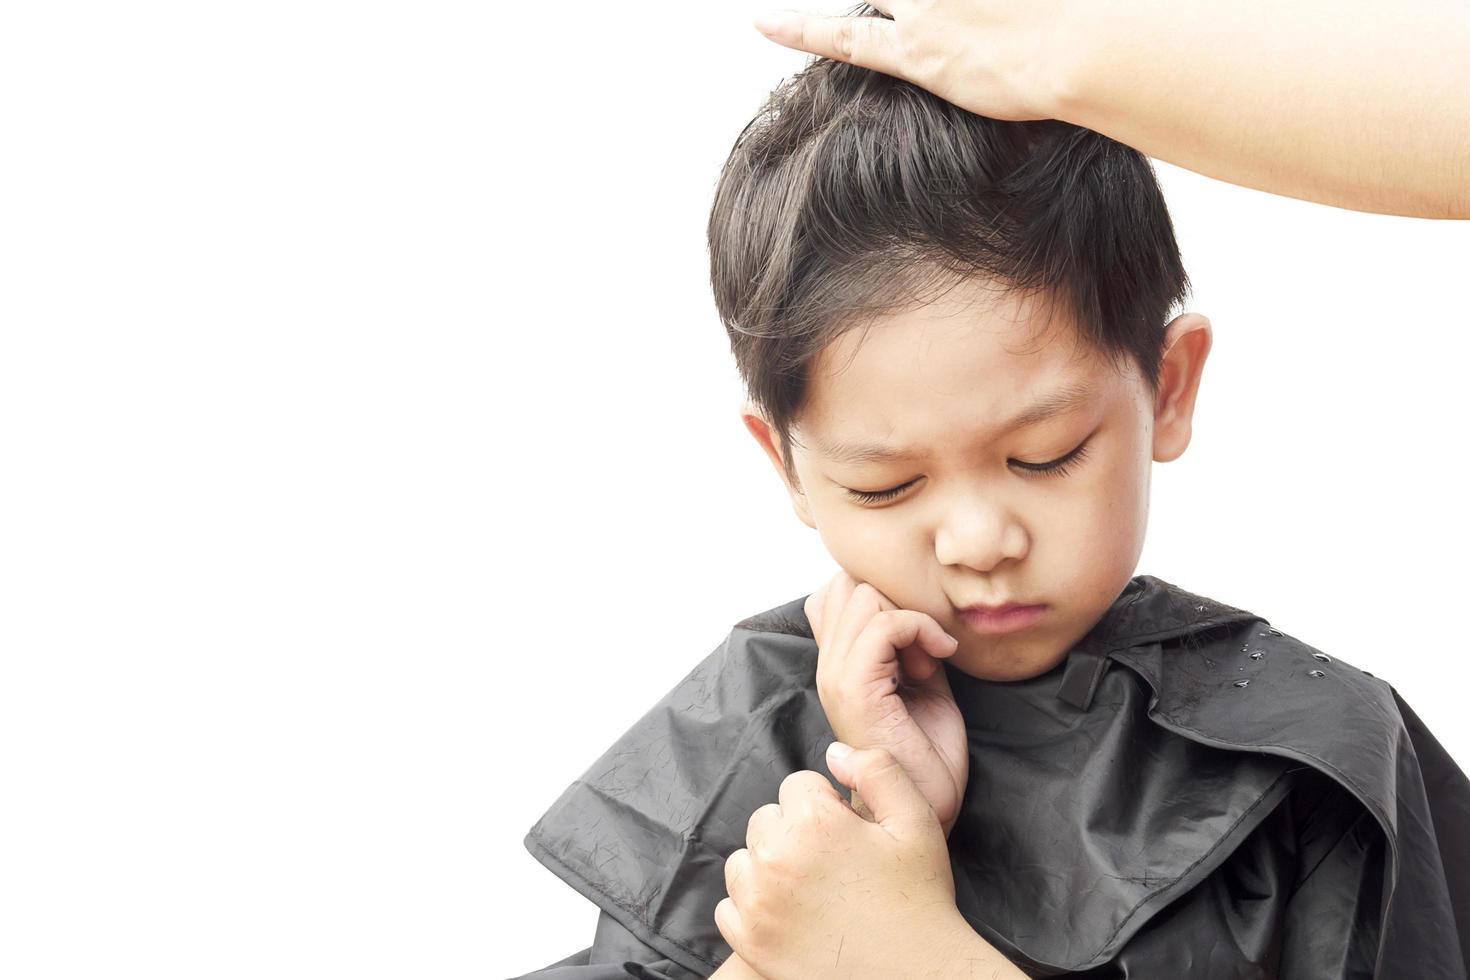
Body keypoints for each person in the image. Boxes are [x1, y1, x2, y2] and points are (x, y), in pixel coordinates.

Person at [509, 3, 1470, 977]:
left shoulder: (1311, 767)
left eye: (1046, 454)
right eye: (885, 483)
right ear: (787, 462)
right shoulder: (736, 737)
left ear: (1168, 386)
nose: (977, 539)